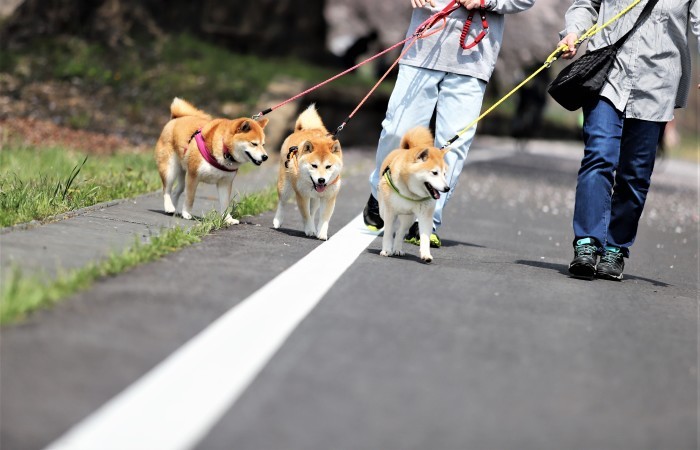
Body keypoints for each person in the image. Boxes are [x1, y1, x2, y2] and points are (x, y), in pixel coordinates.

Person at [363, 0, 535, 247]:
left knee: (452, 146)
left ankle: (427, 221)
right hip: (423, 45)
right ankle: (381, 190)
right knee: (397, 130)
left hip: (473, 60)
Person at [559, 0, 699, 281]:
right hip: (608, 73)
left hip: (657, 81)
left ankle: (615, 247)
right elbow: (587, 4)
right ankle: (586, 243)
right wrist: (573, 32)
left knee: (635, 174)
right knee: (599, 155)